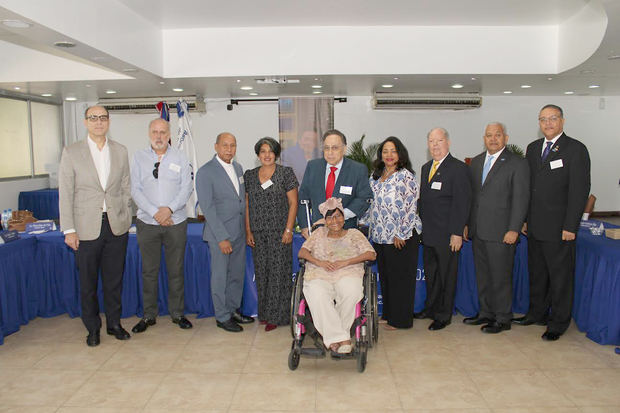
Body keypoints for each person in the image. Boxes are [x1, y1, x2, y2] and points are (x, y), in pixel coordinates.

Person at [515, 104, 591, 341]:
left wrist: (571, 226)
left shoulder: (575, 149)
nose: (548, 123)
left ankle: (558, 322)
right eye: (543, 119)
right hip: (536, 226)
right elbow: (529, 188)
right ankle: (536, 313)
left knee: (560, 278)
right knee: (537, 274)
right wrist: (525, 219)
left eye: (552, 119)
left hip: (560, 229)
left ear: (562, 121)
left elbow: (580, 191)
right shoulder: (534, 148)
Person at [58, 105, 132, 346]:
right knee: (88, 283)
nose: (98, 122)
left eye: (103, 118)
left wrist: (126, 215)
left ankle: (114, 323)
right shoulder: (71, 152)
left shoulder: (120, 151)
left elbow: (125, 186)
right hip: (85, 227)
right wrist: (69, 229)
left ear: (109, 122)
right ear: (85, 122)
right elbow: (65, 193)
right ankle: (92, 328)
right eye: (93, 118)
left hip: (115, 226)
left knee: (114, 280)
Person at [463, 122, 529, 334]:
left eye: (497, 135)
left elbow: (521, 199)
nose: (493, 139)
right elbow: (472, 197)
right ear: (484, 138)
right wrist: (467, 224)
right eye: (489, 135)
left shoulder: (517, 163)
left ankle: (502, 317)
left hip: (502, 232)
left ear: (506, 138)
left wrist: (514, 228)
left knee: (500, 277)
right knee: (482, 276)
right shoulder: (476, 162)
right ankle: (486, 312)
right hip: (478, 230)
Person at [130, 118, 194, 333]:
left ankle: (177, 313)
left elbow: (186, 188)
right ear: (149, 134)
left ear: (168, 135)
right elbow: (135, 189)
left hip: (175, 222)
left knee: (175, 270)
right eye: (155, 132)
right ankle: (149, 315)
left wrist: (168, 210)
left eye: (163, 132)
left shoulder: (180, 157)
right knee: (149, 271)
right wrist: (155, 212)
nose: (158, 136)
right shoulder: (138, 157)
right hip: (147, 222)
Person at [298, 197, 376, 353]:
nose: (334, 221)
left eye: (338, 216)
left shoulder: (354, 234)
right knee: (317, 295)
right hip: (319, 273)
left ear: (344, 218)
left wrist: (346, 262)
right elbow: (302, 251)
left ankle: (333, 339)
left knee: (351, 292)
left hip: (347, 272)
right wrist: (319, 262)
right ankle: (343, 339)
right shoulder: (319, 233)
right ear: (325, 220)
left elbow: (371, 255)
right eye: (330, 217)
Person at [196, 132, 254, 332]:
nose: (229, 149)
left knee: (236, 274)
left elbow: (241, 201)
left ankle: (233, 310)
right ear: (216, 146)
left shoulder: (238, 168)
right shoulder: (205, 172)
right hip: (220, 234)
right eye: (225, 145)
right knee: (220, 276)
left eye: (233, 145)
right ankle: (222, 316)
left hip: (238, 231)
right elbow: (208, 208)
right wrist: (222, 237)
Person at [416, 127, 472, 331]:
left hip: (448, 234)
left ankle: (444, 315)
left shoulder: (458, 168)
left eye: (439, 141)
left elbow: (462, 202)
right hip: (429, 234)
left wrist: (457, 232)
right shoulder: (425, 167)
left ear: (448, 142)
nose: (435, 145)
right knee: (432, 275)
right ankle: (431, 308)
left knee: (447, 276)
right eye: (431, 141)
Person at [365, 136, 422, 330]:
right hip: (380, 235)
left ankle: (401, 320)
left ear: (400, 154)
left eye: (393, 151)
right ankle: (389, 314)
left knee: (400, 280)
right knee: (387, 277)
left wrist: (402, 233)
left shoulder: (405, 176)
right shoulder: (376, 176)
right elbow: (371, 204)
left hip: (401, 237)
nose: (389, 155)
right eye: (385, 151)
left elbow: (410, 206)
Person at [244, 137, 299, 331]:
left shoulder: (285, 173)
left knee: (279, 275)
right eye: (263, 151)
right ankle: (265, 314)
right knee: (262, 274)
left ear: (276, 154)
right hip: (258, 234)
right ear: (258, 154)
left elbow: (293, 203)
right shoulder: (249, 175)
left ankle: (277, 316)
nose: (266, 155)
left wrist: (288, 229)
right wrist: (248, 231)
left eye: (270, 151)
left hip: (279, 233)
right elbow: (248, 204)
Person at [297, 129, 373, 238]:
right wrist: (305, 226)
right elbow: (303, 199)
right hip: (318, 232)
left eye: (335, 148)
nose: (330, 152)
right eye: (326, 148)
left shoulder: (357, 169)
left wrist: (341, 215)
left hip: (346, 232)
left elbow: (365, 198)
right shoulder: (313, 167)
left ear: (344, 149)